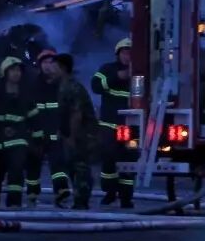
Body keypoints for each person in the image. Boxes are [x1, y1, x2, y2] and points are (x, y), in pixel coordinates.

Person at [0, 57, 39, 208]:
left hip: (18, 140)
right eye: (12, 70)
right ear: (4, 73)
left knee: (16, 170)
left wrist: (38, 140)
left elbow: (34, 118)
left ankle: (14, 204)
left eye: (18, 70)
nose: (16, 73)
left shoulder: (26, 95)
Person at [27, 47, 73, 208]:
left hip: (55, 130)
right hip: (36, 131)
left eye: (51, 62)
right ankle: (32, 193)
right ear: (39, 65)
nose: (48, 66)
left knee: (58, 163)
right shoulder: (32, 84)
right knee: (33, 163)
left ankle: (61, 191)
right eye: (44, 62)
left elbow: (68, 109)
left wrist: (66, 130)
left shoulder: (62, 84)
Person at [92, 38, 136, 208]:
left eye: (131, 52)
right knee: (109, 159)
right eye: (124, 52)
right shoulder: (107, 69)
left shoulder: (140, 72)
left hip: (131, 126)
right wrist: (117, 76)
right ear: (118, 54)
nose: (128, 56)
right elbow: (95, 85)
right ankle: (109, 192)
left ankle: (126, 198)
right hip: (109, 124)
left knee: (129, 161)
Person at [54, 53, 97, 210]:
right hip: (73, 133)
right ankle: (79, 198)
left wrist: (71, 136)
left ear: (63, 68)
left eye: (55, 66)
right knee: (72, 165)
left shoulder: (72, 87)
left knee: (80, 166)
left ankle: (81, 201)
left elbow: (76, 114)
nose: (51, 69)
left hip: (82, 134)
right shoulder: (64, 85)